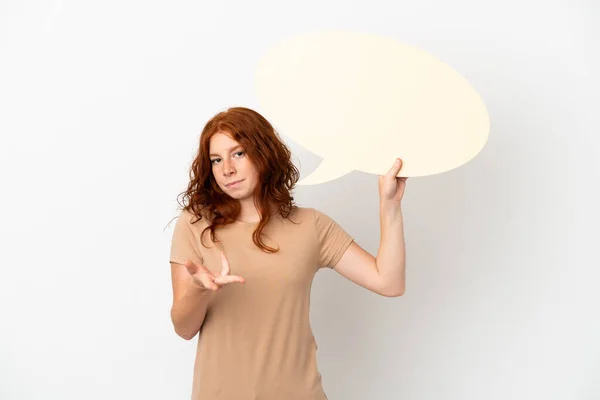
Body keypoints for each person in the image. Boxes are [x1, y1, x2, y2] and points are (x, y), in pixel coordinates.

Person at [168, 106, 408, 399]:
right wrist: (198, 290)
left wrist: (390, 205)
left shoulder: (310, 225)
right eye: (216, 159)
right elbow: (184, 328)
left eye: (238, 153)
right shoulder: (196, 224)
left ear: (264, 153)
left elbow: (389, 282)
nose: (226, 168)